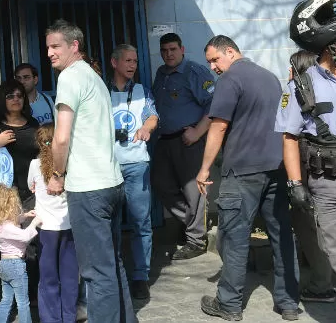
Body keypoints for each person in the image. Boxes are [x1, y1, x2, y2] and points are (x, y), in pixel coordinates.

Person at [276, 0, 336, 318]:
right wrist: (295, 185)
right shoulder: (300, 86)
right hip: (327, 188)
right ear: (331, 47)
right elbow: (289, 138)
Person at [196, 36, 300, 321]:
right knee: (281, 235)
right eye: (209, 62)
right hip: (275, 167)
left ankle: (229, 304)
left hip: (242, 171)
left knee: (233, 237)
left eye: (215, 59)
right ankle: (289, 303)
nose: (213, 67)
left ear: (230, 52)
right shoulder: (268, 77)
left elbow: (218, 127)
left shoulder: (230, 80)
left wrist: (204, 169)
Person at [44, 19, 135, 323]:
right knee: (112, 263)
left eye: (55, 46)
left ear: (74, 46)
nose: (49, 53)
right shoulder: (94, 77)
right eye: (47, 47)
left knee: (97, 271)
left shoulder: (70, 77)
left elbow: (61, 136)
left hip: (88, 187)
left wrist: (57, 175)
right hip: (111, 182)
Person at [152, 32, 215, 259]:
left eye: (173, 49)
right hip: (165, 140)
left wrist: (198, 132)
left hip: (189, 140)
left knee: (193, 191)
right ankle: (194, 222)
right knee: (160, 185)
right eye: (164, 50)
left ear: (182, 49)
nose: (168, 54)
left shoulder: (194, 72)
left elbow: (214, 104)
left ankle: (196, 241)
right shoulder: (161, 73)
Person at [279, 49, 335, 306]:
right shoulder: (330, 84)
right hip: (331, 163)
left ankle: (321, 284)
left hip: (303, 160)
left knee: (306, 223)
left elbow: (286, 132)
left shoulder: (295, 89)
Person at [108, 44, 159, 300]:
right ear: (114, 62)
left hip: (137, 164)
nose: (132, 65)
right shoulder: (101, 92)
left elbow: (152, 116)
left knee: (141, 222)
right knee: (112, 225)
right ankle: (115, 274)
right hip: (109, 167)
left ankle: (140, 276)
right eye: (127, 61)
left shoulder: (141, 91)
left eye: (135, 61)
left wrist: (147, 128)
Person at [28, 124, 78, 323]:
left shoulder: (34, 165)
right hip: (68, 226)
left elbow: (30, 186)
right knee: (70, 276)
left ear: (40, 144)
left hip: (45, 228)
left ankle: (50, 319)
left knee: (48, 277)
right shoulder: (69, 164)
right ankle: (69, 317)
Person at [0, 185, 43, 323]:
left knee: (6, 300)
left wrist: (25, 215)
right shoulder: (7, 227)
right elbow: (25, 236)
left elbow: (15, 220)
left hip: (4, 265)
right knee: (23, 302)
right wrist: (34, 223)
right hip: (15, 266)